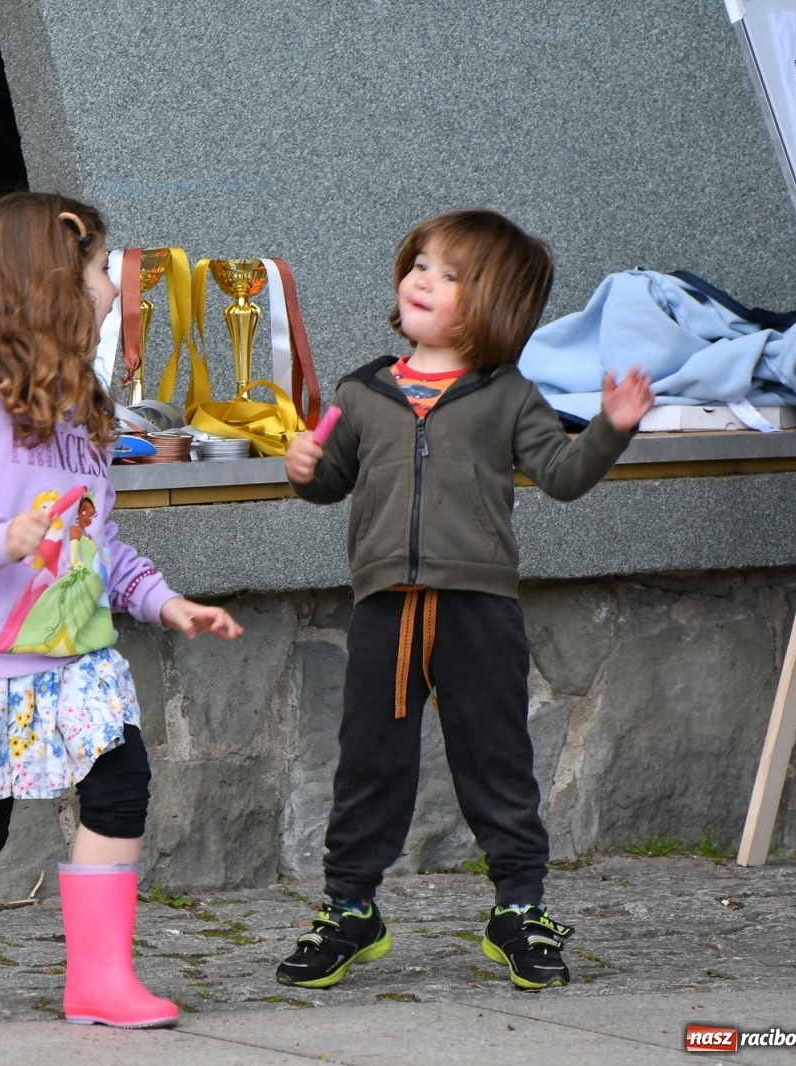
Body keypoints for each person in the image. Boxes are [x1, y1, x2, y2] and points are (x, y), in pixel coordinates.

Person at [0, 191, 244, 1028]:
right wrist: (0, 538)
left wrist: (164, 601)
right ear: (48, 280)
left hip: (76, 656)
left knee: (121, 783)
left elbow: (96, 542)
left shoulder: (81, 402)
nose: (112, 286)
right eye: (99, 268)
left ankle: (99, 980)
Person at [278, 208, 653, 992]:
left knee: (496, 759)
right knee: (370, 763)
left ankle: (518, 908)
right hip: (385, 609)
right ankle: (350, 908)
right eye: (421, 262)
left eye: (450, 274)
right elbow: (330, 481)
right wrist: (305, 466)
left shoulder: (508, 395)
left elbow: (562, 475)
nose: (423, 278)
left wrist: (610, 430)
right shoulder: (362, 390)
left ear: (494, 305)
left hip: (479, 611)